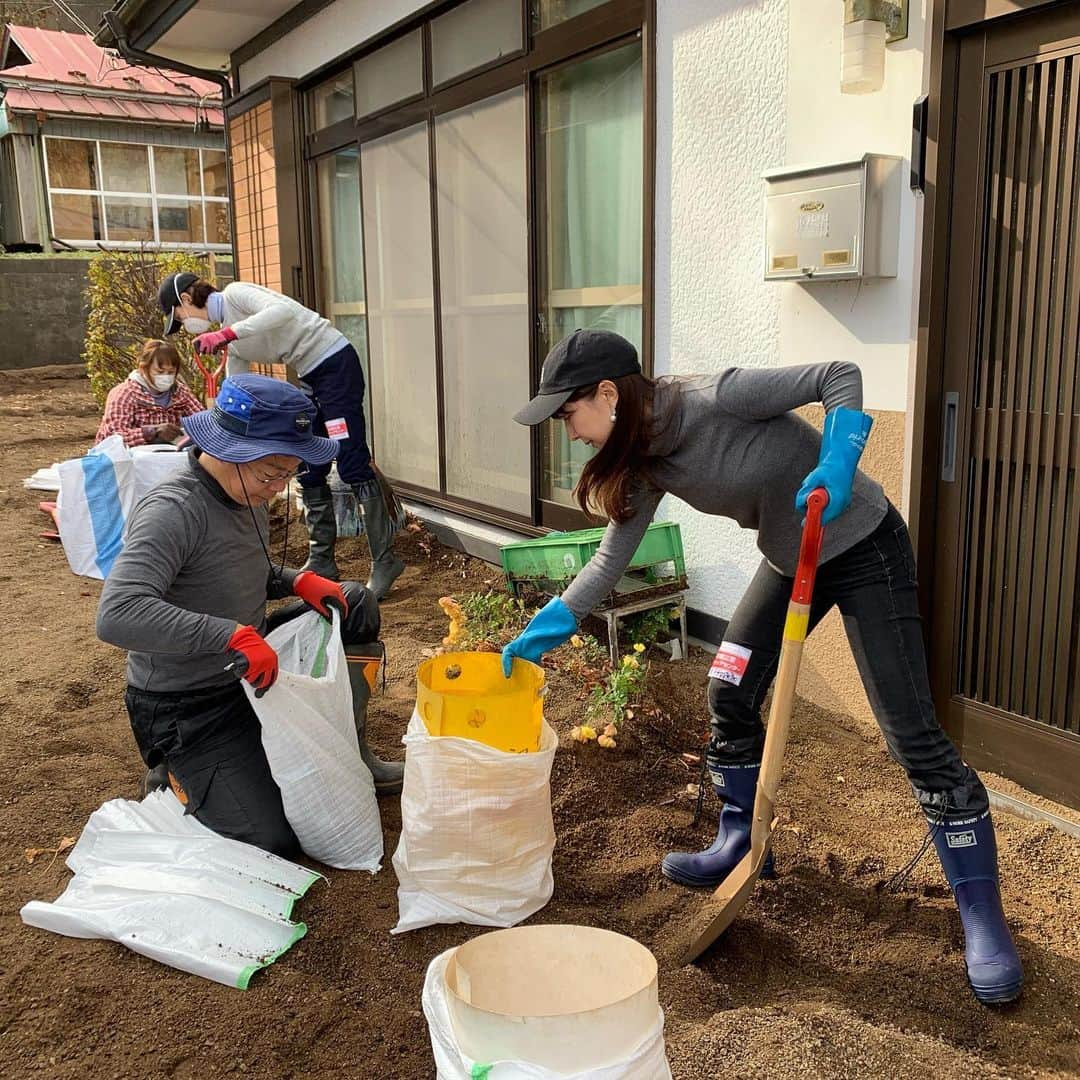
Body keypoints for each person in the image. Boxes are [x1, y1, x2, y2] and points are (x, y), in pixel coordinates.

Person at [501, 328, 1023, 1005]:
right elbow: (609, 559)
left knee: (911, 737)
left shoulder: (716, 398)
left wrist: (838, 459)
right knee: (729, 690)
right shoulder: (643, 460)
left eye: (568, 414)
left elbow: (837, 373)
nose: (569, 433)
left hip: (864, 547)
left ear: (607, 394)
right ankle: (744, 838)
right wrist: (546, 628)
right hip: (791, 557)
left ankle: (982, 914)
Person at [96, 374, 404, 857]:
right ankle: (170, 770)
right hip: (187, 701)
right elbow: (117, 613)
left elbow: (237, 568)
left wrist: (294, 580)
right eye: (271, 474)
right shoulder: (173, 510)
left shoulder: (247, 493)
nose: (278, 488)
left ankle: (355, 747)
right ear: (230, 448)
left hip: (248, 667)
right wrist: (230, 635)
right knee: (271, 840)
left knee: (355, 602)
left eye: (289, 474)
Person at [155, 271, 404, 600]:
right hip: (310, 374)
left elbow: (283, 312)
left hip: (334, 363)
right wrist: (220, 426)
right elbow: (237, 387)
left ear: (186, 300)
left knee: (350, 459)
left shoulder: (236, 294)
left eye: (181, 317)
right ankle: (321, 561)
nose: (185, 324)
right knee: (307, 460)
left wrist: (228, 332)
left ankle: (385, 562)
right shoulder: (234, 341)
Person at [95, 339, 203, 447]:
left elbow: (202, 421)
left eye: (171, 372)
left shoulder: (180, 393)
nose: (166, 376)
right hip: (128, 459)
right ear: (143, 368)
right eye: (160, 372)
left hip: (167, 456)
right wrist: (151, 432)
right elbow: (112, 439)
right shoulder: (124, 394)